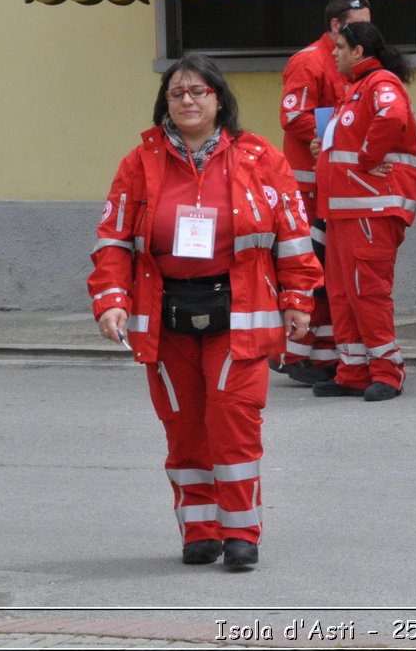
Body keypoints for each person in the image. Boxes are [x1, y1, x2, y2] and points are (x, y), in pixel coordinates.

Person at [89, 54, 320, 570]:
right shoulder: (139, 163)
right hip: (165, 314)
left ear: (219, 99)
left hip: (241, 313)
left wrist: (299, 298)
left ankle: (241, 534)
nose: (188, 101)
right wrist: (111, 300)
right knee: (184, 426)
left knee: (233, 422)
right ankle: (200, 528)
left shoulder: (261, 157)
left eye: (198, 92)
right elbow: (113, 240)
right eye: (177, 93)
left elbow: (293, 237)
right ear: (164, 103)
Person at [312, 22, 416, 401]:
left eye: (340, 46)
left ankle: (387, 372)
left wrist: (366, 158)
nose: (334, 53)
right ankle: (354, 370)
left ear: (359, 51)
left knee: (368, 292)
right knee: (343, 293)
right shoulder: (358, 89)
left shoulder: (380, 84)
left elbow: (392, 119)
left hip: (370, 210)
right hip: (348, 211)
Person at [275, 0, 372, 383]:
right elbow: (292, 115)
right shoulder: (309, 61)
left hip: (332, 187)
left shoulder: (347, 58)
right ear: (336, 25)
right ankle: (292, 354)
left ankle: (324, 356)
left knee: (331, 276)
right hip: (307, 189)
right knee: (310, 275)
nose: (367, 28)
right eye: (359, 21)